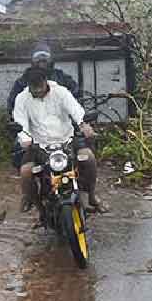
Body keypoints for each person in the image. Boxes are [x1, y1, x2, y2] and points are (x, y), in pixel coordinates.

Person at [12, 67, 106, 215]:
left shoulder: (61, 92)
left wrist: (83, 124)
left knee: (89, 158)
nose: (37, 91)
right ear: (28, 85)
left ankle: (92, 196)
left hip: (67, 140)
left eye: (40, 86)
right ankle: (39, 208)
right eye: (33, 87)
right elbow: (21, 123)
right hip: (39, 145)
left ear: (45, 81)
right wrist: (25, 139)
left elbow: (75, 109)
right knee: (25, 173)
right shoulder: (21, 99)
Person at [7, 43, 80, 116]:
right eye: (38, 58)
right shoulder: (24, 79)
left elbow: (75, 89)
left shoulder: (60, 76)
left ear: (50, 60)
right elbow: (12, 101)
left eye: (45, 58)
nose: (41, 61)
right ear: (33, 61)